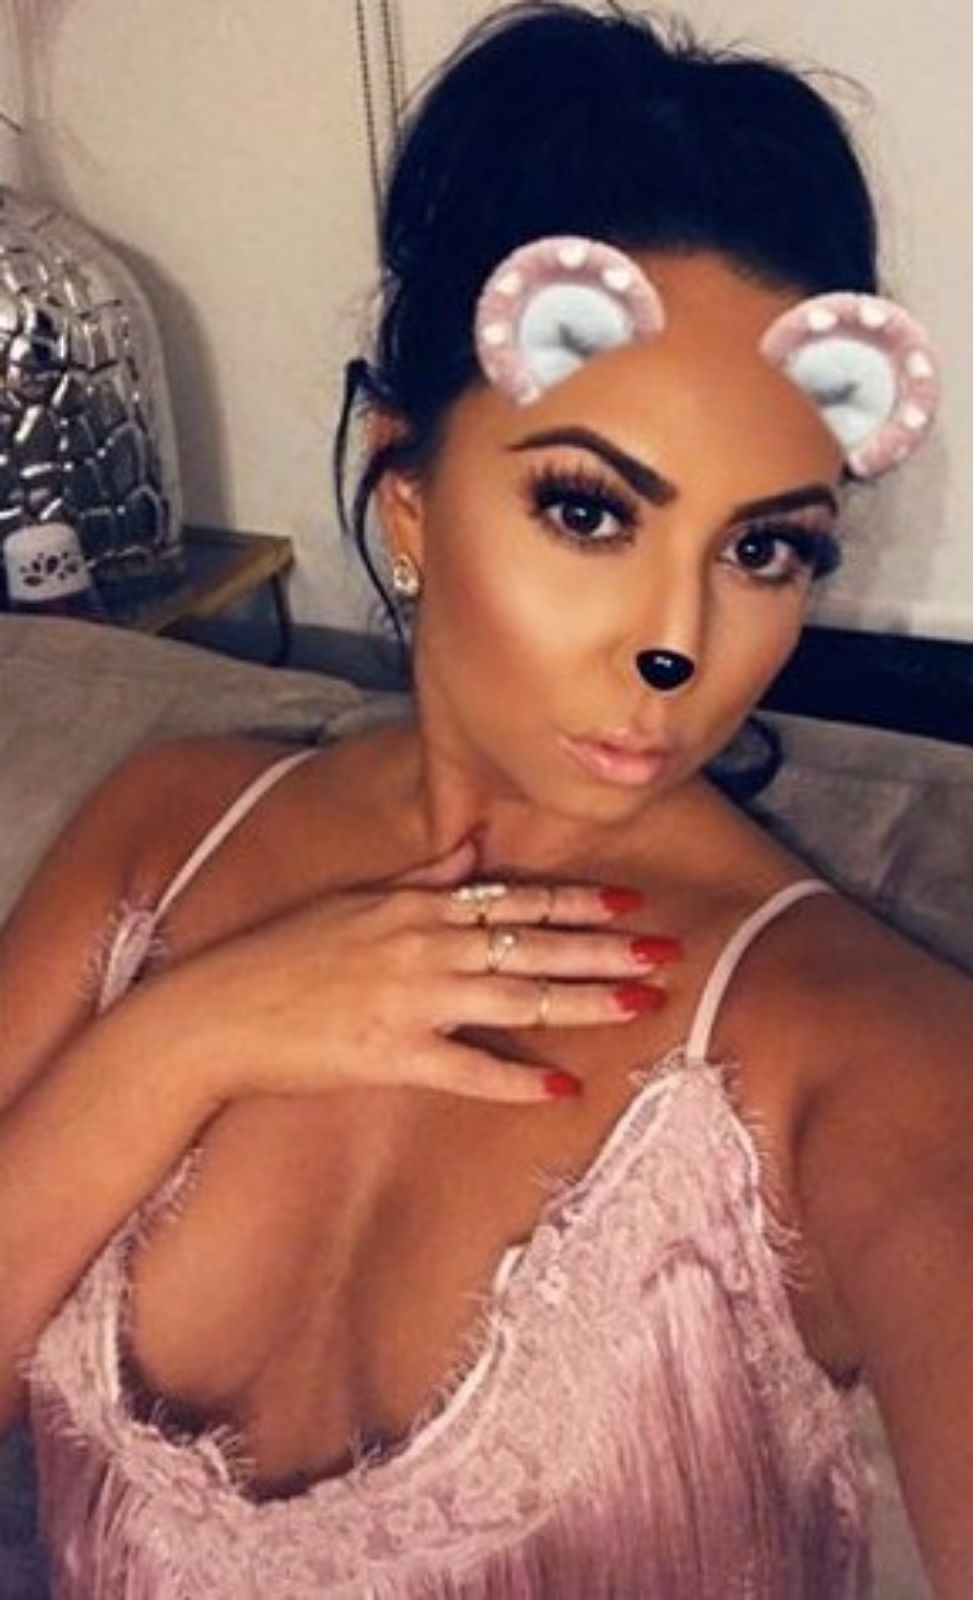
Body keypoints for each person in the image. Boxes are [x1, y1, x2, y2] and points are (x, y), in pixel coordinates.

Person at [1, 3, 971, 1594]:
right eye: (590, 511)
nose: (678, 642)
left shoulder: (868, 1048)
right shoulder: (165, 833)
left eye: (765, 548)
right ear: (409, 495)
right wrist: (186, 1037)